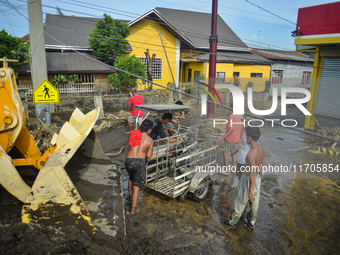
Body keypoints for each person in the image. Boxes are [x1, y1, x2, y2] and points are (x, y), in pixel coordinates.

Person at [224, 127, 264, 230]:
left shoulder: (251, 154)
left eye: (246, 136)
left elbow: (252, 174)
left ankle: (232, 221)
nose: (245, 138)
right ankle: (251, 222)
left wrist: (250, 189)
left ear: (250, 138)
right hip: (257, 179)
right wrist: (257, 180)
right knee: (254, 203)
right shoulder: (261, 150)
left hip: (248, 180)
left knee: (239, 201)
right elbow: (261, 167)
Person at [125, 119, 154, 215]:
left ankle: (130, 196)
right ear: (149, 130)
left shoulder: (133, 133)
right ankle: (133, 208)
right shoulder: (150, 140)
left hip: (128, 161)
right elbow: (149, 156)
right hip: (139, 162)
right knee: (136, 186)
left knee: (131, 178)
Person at [218, 110, 244, 175]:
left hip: (230, 138)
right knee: (233, 153)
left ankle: (226, 170)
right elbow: (241, 127)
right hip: (237, 138)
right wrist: (239, 137)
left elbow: (231, 129)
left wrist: (223, 137)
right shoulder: (241, 116)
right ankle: (234, 169)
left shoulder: (231, 116)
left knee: (224, 152)